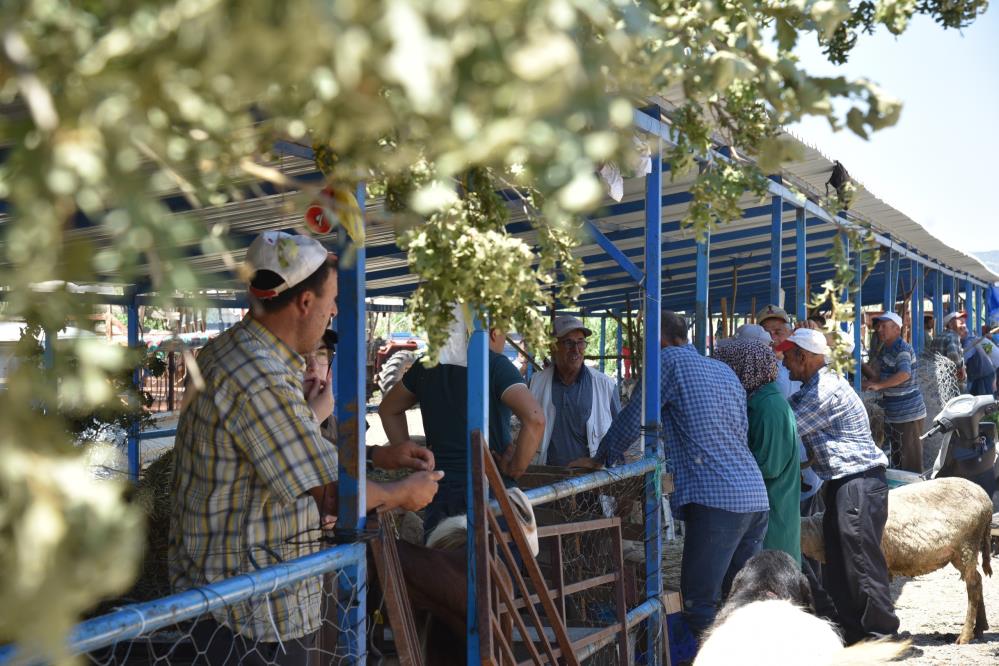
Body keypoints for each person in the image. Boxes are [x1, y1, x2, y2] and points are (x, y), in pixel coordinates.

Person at [169, 232, 442, 664]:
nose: (335, 310)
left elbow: (289, 452)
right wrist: (402, 494)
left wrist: (374, 457)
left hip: (242, 604)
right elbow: (337, 493)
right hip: (250, 618)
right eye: (332, 298)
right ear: (304, 303)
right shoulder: (257, 377)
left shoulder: (237, 354)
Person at [581, 311, 769, 639]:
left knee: (700, 603)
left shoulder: (667, 363)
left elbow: (635, 415)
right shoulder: (723, 370)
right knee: (741, 601)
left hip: (717, 500)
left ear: (658, 340)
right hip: (754, 497)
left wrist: (601, 458)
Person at [378, 306, 545, 535]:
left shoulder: (426, 366)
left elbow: (388, 409)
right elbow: (535, 419)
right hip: (490, 492)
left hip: (439, 491)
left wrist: (415, 462)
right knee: (498, 568)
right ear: (494, 331)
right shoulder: (494, 365)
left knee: (441, 565)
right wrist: (515, 467)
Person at [778, 328, 899, 645]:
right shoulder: (813, 386)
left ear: (803, 356)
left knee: (859, 561)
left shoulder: (824, 391)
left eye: (788, 358)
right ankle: (856, 633)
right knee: (841, 561)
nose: (785, 365)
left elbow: (785, 423)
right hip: (846, 482)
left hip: (857, 481)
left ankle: (882, 635)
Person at [714, 339, 801, 564]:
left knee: (772, 581)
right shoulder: (757, 401)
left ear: (744, 368)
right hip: (762, 509)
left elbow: (770, 466)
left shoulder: (769, 407)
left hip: (773, 510)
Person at [528, 315, 620, 467]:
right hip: (546, 478)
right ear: (553, 346)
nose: (576, 350)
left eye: (581, 342)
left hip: (592, 481)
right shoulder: (536, 383)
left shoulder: (606, 385)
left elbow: (620, 436)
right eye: (568, 343)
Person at [861, 312, 927, 472]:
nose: (879, 330)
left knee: (911, 463)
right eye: (879, 326)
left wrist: (879, 386)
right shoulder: (887, 349)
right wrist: (868, 376)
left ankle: (916, 494)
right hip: (897, 414)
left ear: (896, 329)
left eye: (884, 326)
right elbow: (879, 375)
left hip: (908, 415)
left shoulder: (901, 349)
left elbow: (904, 374)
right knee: (899, 460)